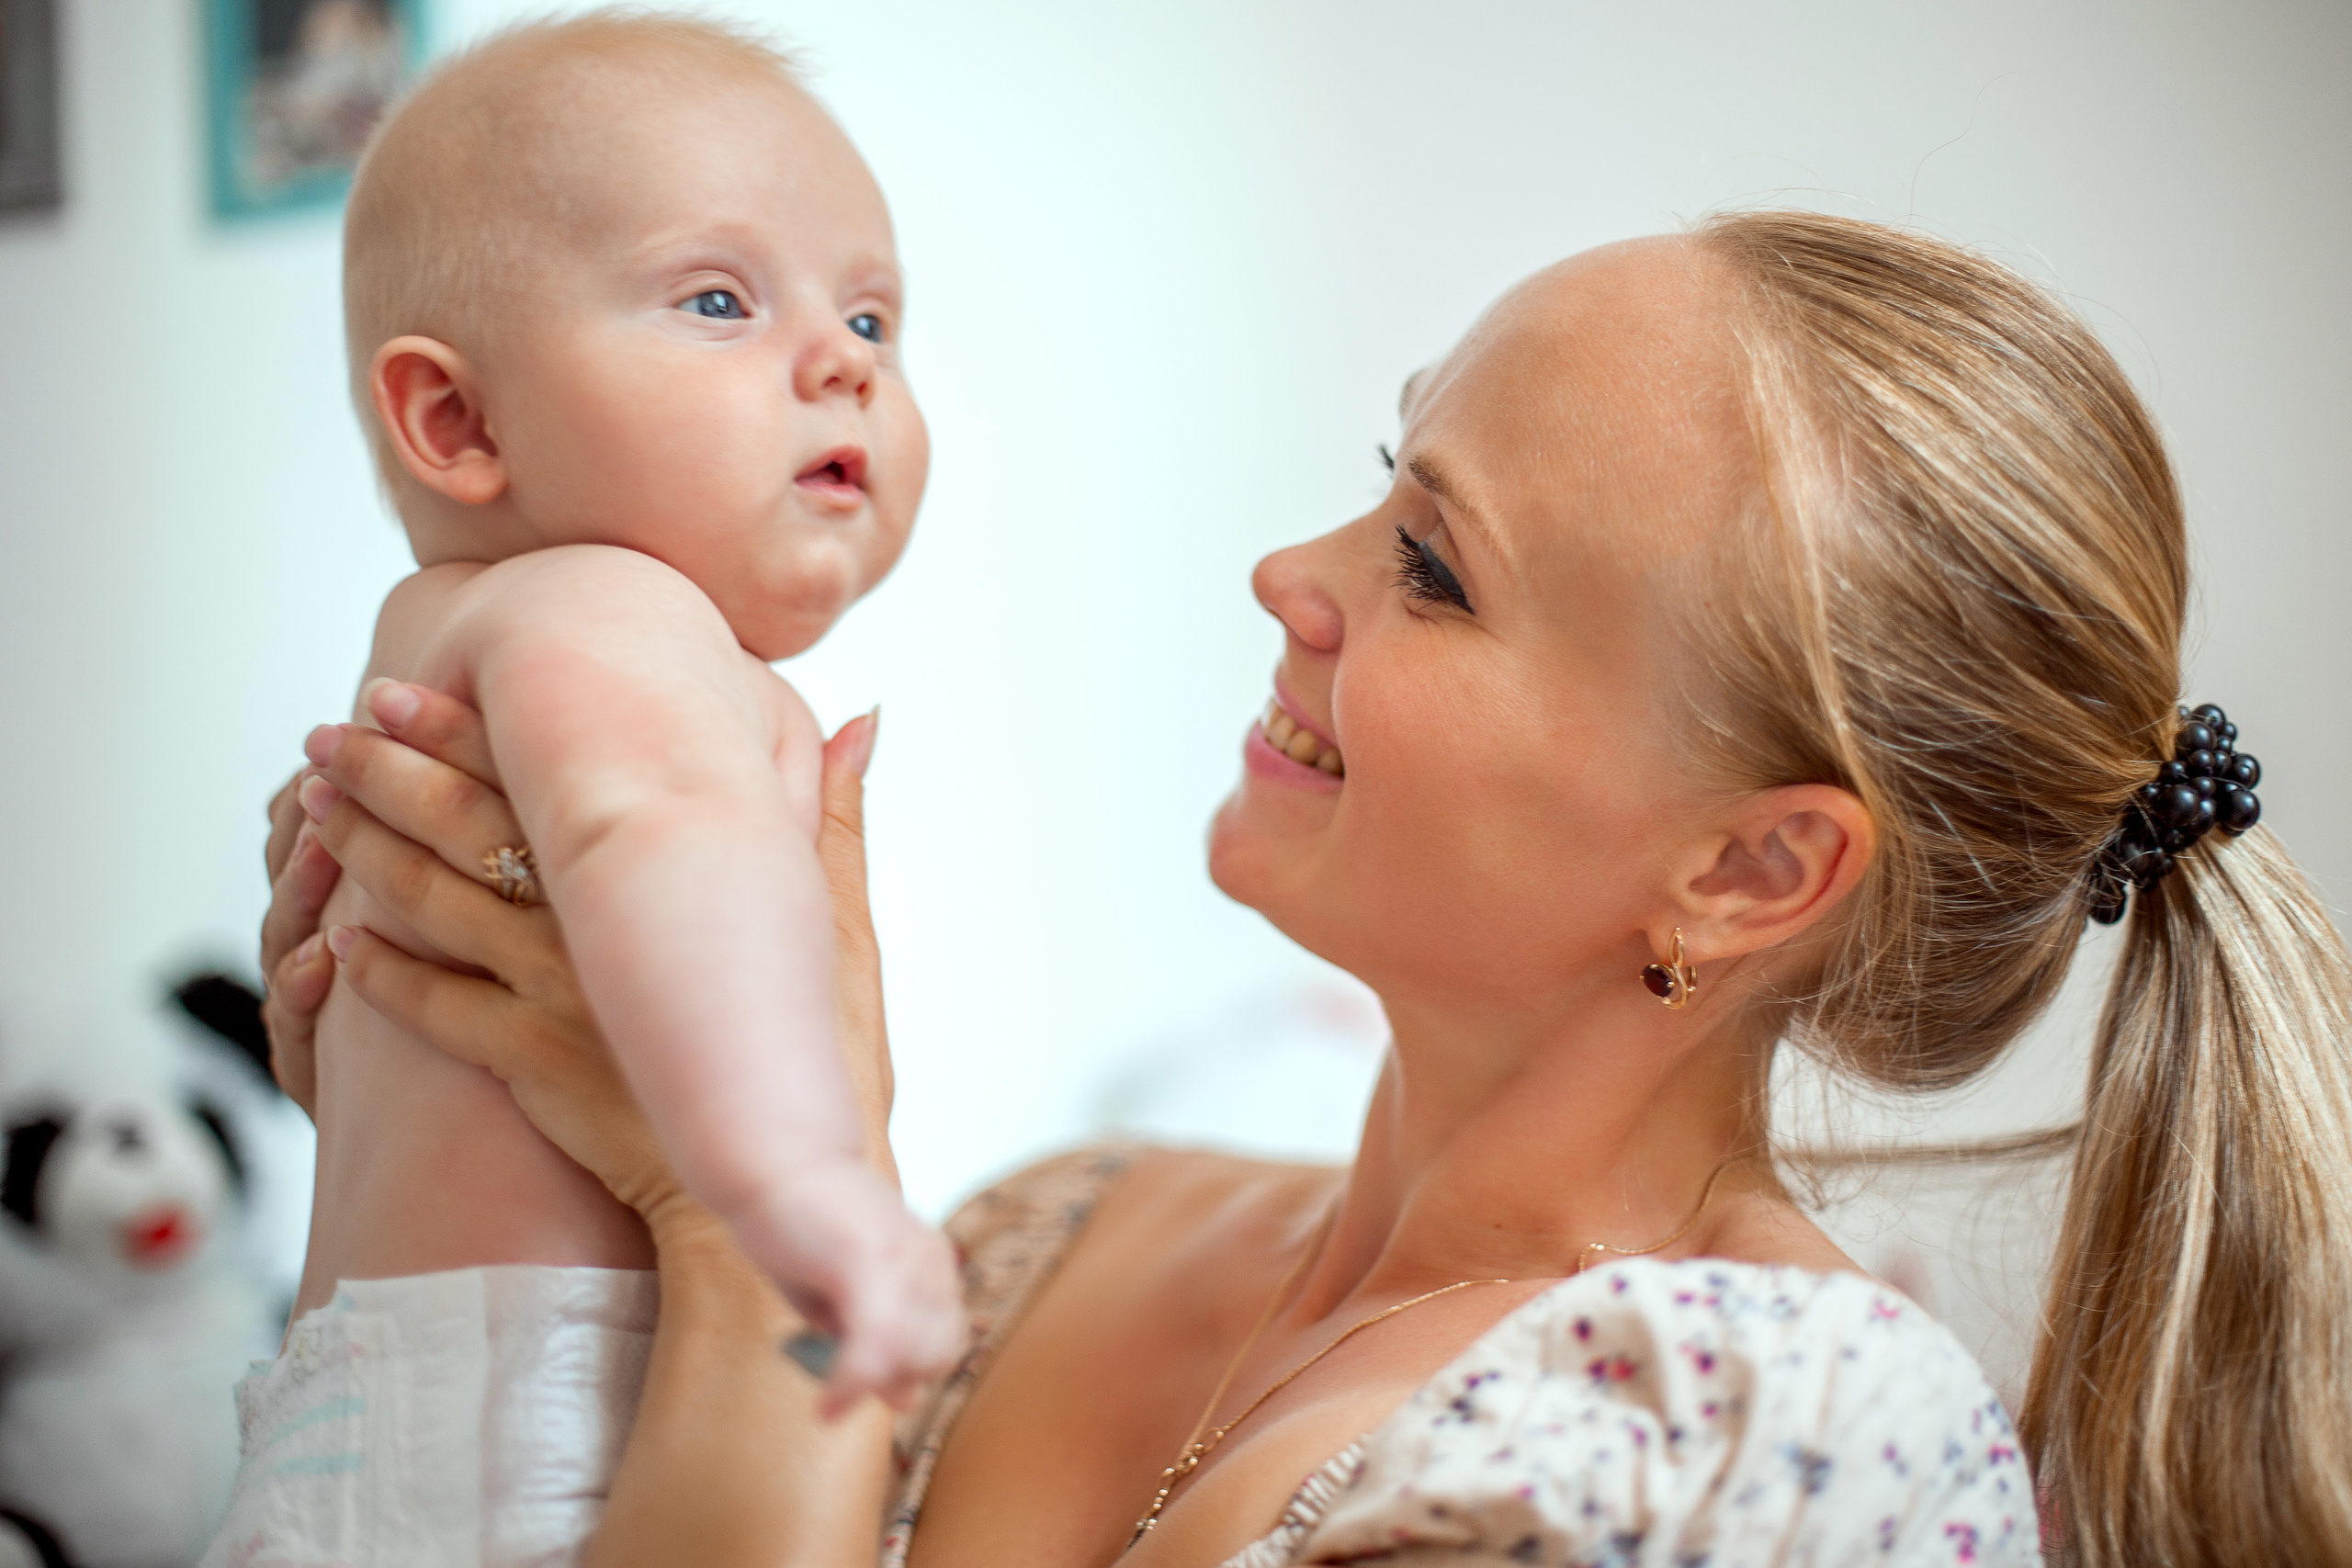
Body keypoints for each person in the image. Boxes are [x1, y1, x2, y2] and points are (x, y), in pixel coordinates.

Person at [260, 211, 2352, 1567]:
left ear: (1747, 866)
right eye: (1382, 471)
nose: (1295, 575)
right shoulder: (1042, 1233)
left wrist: (745, 1237)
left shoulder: (1764, 1444)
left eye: (1433, 563)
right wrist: (452, 1125)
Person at [208, 14, 963, 1563]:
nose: (844, 363)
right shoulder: (607, 611)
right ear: (459, 422)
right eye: (717, 298)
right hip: (529, 1450)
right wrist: (801, 1183)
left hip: (378, 1427)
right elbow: (655, 840)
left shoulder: (476, 635)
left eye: (876, 321)